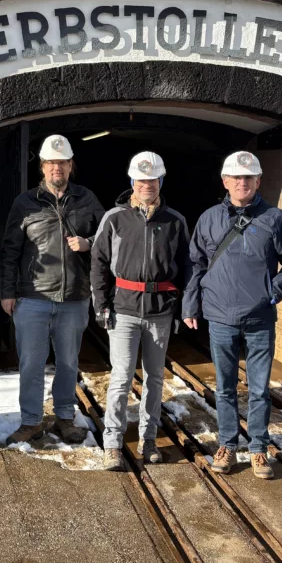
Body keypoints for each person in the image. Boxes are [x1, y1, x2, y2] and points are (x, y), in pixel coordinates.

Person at [183, 151, 282, 480]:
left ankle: (259, 448)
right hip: (220, 314)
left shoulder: (275, 219)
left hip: (259, 316)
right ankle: (227, 443)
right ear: (225, 182)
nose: (242, 182)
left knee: (260, 388)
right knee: (224, 387)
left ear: (258, 182)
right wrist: (190, 303)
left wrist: (274, 290)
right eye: (236, 177)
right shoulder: (209, 219)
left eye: (248, 178)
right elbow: (195, 264)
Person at [0, 134, 106, 445]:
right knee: (31, 362)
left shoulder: (87, 199)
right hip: (33, 296)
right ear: (43, 168)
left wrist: (88, 243)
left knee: (68, 362)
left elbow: (111, 238)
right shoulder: (25, 203)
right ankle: (31, 420)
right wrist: (7, 291)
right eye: (50, 163)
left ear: (71, 166)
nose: (56, 167)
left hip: (74, 295)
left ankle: (64, 418)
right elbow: (10, 250)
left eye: (61, 162)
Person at [91, 152, 189, 471]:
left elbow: (187, 267)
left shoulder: (175, 221)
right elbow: (99, 262)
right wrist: (101, 304)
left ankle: (148, 440)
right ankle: (113, 443)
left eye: (153, 180)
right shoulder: (115, 218)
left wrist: (182, 308)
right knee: (121, 378)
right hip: (123, 310)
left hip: (160, 310)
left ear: (161, 182)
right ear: (132, 182)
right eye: (142, 180)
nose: (148, 185)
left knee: (155, 377)